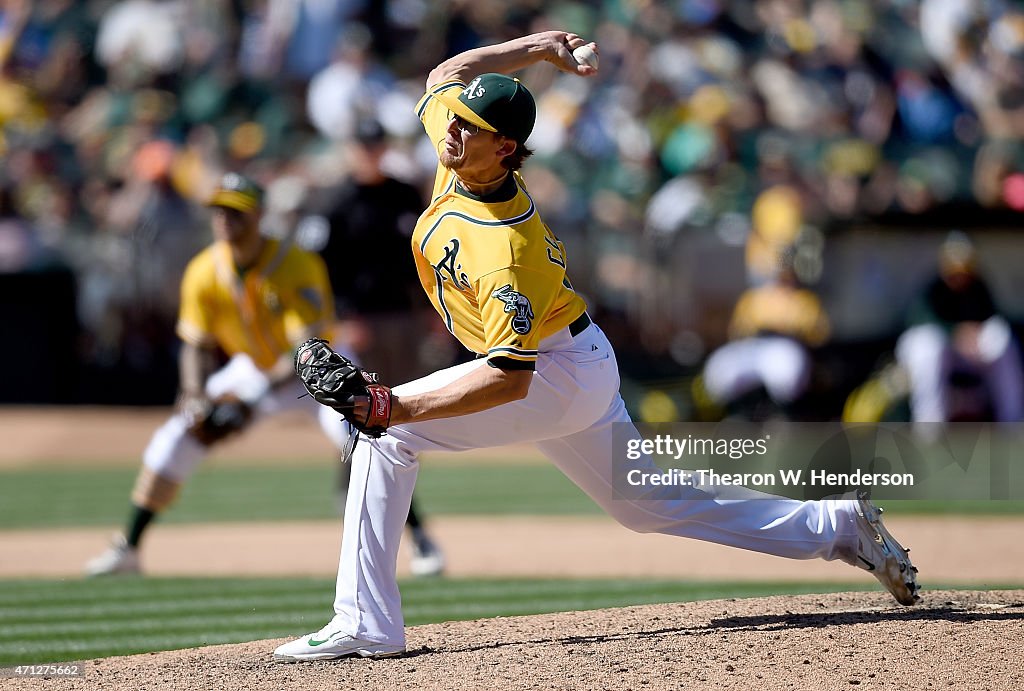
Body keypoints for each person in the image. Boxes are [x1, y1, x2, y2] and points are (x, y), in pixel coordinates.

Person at [272, 31, 919, 663]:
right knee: (647, 501)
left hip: (551, 374)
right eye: (456, 120)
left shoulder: (507, 248)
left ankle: (364, 620)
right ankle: (837, 526)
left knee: (389, 436)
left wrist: (388, 405)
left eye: (468, 126)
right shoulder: (459, 153)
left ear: (503, 148)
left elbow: (507, 379)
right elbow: (445, 73)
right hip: (575, 358)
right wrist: (535, 50)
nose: (450, 130)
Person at [84, 173, 399, 576]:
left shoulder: (294, 263)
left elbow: (304, 351)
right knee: (176, 435)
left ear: (258, 215)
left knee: (366, 437)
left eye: (236, 211)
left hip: (321, 365)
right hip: (254, 367)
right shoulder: (203, 270)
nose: (225, 220)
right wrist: (194, 393)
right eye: (219, 211)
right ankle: (128, 546)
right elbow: (195, 344)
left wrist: (251, 401)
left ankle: (421, 540)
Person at [317, 117, 446, 576]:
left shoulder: (403, 194)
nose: (370, 152)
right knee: (371, 413)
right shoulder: (338, 203)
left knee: (404, 413)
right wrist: (344, 319)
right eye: (363, 144)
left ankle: (375, 485)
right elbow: (326, 269)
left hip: (405, 319)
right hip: (363, 323)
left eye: (376, 144)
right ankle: (361, 487)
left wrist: (435, 310)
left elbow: (424, 255)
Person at [896, 231, 1023, 429]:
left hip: (965, 355)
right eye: (954, 268)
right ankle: (930, 427)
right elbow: (918, 321)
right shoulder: (934, 288)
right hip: (930, 353)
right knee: (930, 346)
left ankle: (1013, 423)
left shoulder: (978, 287)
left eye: (964, 268)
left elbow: (993, 319)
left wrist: (975, 335)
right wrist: (955, 332)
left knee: (1004, 341)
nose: (959, 275)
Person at [701, 248, 830, 420]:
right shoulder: (754, 297)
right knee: (722, 368)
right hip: (754, 345)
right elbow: (738, 330)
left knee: (784, 371)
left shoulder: (803, 299)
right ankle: (736, 413)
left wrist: (792, 325)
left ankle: (781, 416)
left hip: (785, 344)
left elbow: (818, 334)